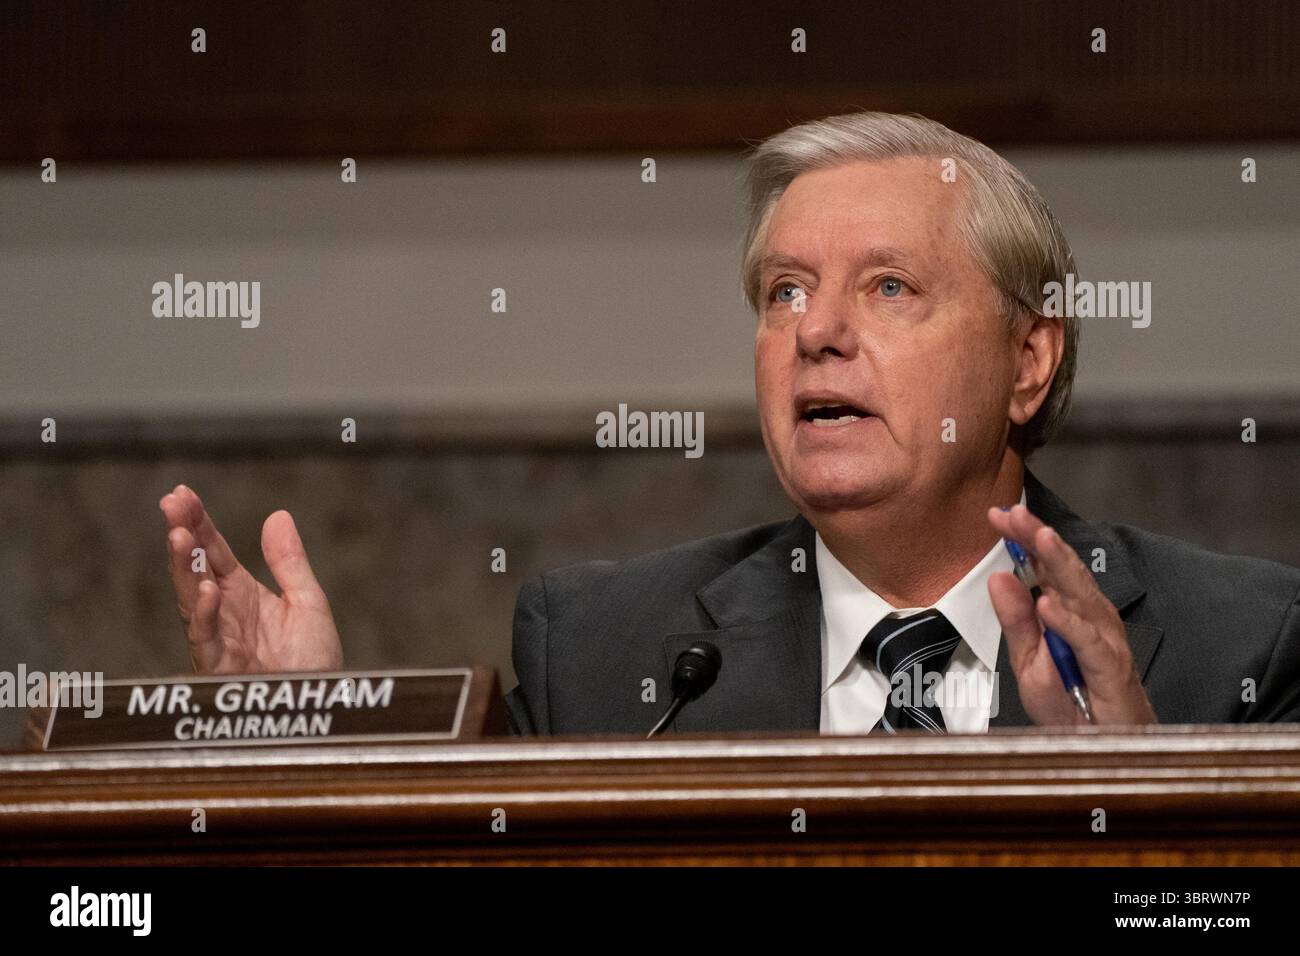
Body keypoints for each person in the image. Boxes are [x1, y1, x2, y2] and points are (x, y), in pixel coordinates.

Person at [158, 111, 1300, 736]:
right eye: (784, 292)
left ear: (1029, 359)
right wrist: (307, 737)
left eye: (889, 288)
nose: (816, 333)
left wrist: (1148, 818)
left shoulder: (1240, 645)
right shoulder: (605, 656)